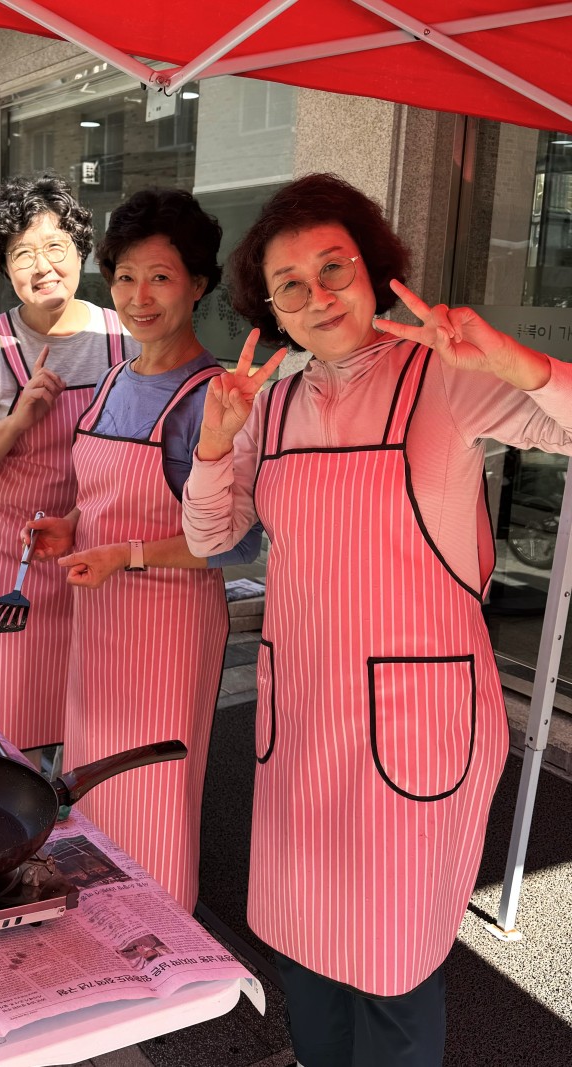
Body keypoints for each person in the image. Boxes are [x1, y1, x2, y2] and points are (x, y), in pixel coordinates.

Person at [181, 173, 572, 1066]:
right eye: (290, 285)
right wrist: (213, 442)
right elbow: (212, 536)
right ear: (268, 307)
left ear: (375, 270)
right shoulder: (267, 404)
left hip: (419, 722)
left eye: (335, 268)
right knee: (308, 950)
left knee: (394, 967)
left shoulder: (447, 376)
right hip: (305, 718)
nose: (317, 297)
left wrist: (514, 361)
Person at [22, 188, 261, 912]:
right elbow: (99, 495)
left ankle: (162, 942)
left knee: (151, 787)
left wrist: (126, 552)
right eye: (125, 276)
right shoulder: (115, 379)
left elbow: (238, 541)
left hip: (168, 628)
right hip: (97, 619)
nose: (139, 295)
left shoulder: (211, 397)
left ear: (198, 283)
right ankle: (100, 923)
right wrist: (68, 523)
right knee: (91, 779)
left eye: (160, 276)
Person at [0, 174, 138, 750]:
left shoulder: (123, 336)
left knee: (96, 709)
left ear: (81, 253)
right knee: (14, 714)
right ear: (5, 269)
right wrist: (18, 419)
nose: (42, 264)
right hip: (13, 560)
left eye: (55, 246)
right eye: (22, 253)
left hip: (101, 547)